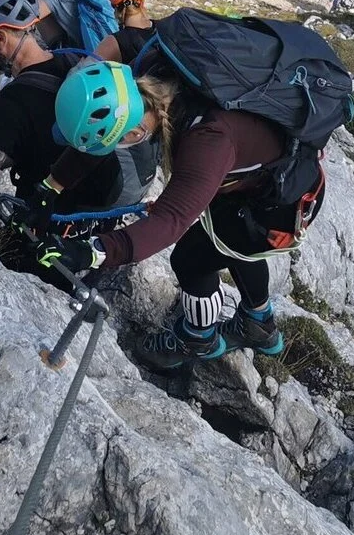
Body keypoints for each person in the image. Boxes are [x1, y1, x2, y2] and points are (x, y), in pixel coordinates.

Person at [39, 60, 322, 369]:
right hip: (265, 180)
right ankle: (259, 324)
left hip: (279, 207)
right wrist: (50, 187)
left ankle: (198, 338)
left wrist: (93, 252)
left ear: (134, 133)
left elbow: (170, 220)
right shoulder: (158, 75)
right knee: (233, 247)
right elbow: (103, 138)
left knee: (191, 261)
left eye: (120, 141)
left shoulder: (207, 140)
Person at [0, 0, 153, 220]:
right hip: (115, 186)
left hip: (74, 205)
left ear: (0, 37)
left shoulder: (9, 104)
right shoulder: (75, 61)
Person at [96, 0, 155, 66]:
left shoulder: (114, 42)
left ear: (113, 5)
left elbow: (84, 69)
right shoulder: (164, 28)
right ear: (142, 0)